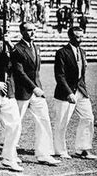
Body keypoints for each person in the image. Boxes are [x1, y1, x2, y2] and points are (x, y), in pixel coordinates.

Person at [11, 22, 60, 165]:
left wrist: (37, 88)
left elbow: (35, 72)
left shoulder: (36, 47)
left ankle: (44, 153)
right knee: (16, 122)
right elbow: (19, 72)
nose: (33, 32)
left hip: (37, 91)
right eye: (29, 30)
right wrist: (34, 88)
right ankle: (11, 153)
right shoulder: (17, 49)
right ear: (22, 32)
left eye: (34, 30)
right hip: (23, 91)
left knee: (43, 120)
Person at [53, 27, 97, 160]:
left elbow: (81, 74)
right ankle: (60, 150)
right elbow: (59, 75)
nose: (80, 39)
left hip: (81, 91)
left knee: (88, 117)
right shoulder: (62, 52)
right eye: (77, 37)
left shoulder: (83, 52)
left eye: (81, 36)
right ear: (70, 37)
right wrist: (68, 93)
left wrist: (82, 90)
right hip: (65, 93)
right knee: (62, 122)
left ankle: (82, 149)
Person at [0, 16, 23, 171]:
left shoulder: (9, 46)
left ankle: (9, 157)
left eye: (8, 26)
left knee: (15, 124)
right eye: (2, 25)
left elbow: (20, 61)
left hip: (8, 91)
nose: (6, 28)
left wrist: (9, 44)